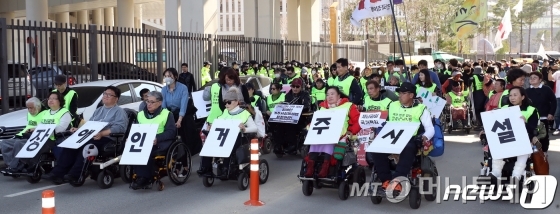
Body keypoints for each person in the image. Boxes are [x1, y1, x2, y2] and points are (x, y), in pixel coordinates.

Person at [43, 86, 129, 183]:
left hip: (108, 138)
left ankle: (75, 175)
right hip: (92, 136)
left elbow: (120, 127)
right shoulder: (99, 110)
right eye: (105, 94)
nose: (106, 96)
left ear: (116, 98)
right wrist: (78, 129)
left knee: (86, 146)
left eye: (109, 95)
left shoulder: (119, 111)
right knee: (71, 144)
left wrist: (102, 133)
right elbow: (90, 125)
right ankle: (58, 174)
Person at [370, 82, 434, 193]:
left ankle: (397, 181)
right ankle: (386, 180)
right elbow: (384, 122)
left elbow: (430, 129)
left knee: (408, 149)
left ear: (411, 95)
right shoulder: (393, 105)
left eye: (403, 93)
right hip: (391, 137)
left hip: (410, 139)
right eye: (399, 93)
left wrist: (424, 137)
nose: (399, 95)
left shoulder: (421, 108)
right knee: (375, 149)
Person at [197, 87, 257, 176]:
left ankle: (226, 168)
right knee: (208, 145)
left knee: (229, 146)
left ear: (236, 102)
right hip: (222, 138)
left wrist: (245, 129)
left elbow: (254, 128)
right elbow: (218, 122)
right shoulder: (225, 112)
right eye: (225, 102)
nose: (226, 105)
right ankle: (205, 168)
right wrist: (212, 126)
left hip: (238, 139)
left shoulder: (244, 113)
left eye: (229, 102)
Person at [304, 87, 360, 178]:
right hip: (322, 133)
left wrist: (351, 131)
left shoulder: (349, 106)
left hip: (341, 134)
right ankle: (310, 167)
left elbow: (358, 121)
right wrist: (310, 126)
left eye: (332, 94)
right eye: (327, 94)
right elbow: (317, 121)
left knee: (329, 140)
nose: (329, 96)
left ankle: (325, 168)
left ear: (338, 95)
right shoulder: (322, 107)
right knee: (314, 141)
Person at [486, 87, 538, 184]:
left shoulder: (531, 110)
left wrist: (525, 123)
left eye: (515, 95)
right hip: (507, 138)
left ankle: (516, 175)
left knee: (524, 147)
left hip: (523, 139)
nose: (512, 98)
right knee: (496, 143)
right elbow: (496, 125)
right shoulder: (504, 109)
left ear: (522, 97)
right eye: (510, 95)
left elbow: (533, 128)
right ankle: (496, 172)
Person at [131, 91, 177, 189]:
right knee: (133, 149)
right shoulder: (140, 114)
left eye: (152, 102)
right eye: (147, 101)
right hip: (143, 140)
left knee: (147, 151)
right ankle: (141, 175)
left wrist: (157, 138)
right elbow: (135, 130)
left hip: (160, 141)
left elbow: (171, 132)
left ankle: (145, 178)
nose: (149, 104)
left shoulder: (167, 114)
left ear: (159, 103)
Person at [17, 92, 72, 173]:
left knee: (40, 144)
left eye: (54, 98)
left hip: (55, 138)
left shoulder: (65, 113)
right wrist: (35, 129)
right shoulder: (47, 112)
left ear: (60, 101)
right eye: (49, 98)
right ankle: (23, 163)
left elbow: (61, 128)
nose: (51, 100)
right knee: (27, 142)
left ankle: (31, 164)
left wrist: (47, 129)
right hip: (42, 137)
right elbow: (41, 125)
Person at [0, 97, 46, 174]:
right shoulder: (30, 114)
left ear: (38, 106)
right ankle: (10, 164)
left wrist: (35, 129)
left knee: (18, 143)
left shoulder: (46, 114)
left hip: (36, 138)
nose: (29, 110)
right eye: (28, 108)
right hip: (25, 136)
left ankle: (14, 167)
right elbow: (27, 127)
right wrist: (18, 135)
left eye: (31, 108)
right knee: (4, 143)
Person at [161, 68, 200, 155]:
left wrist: (179, 120)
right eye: (165, 76)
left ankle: (187, 154)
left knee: (186, 135)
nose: (167, 78)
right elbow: (163, 106)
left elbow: (183, 105)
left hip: (183, 115)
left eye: (169, 76)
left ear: (175, 77)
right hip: (170, 114)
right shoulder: (164, 90)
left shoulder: (183, 88)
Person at [273, 78, 311, 154]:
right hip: (289, 117)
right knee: (279, 123)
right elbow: (286, 106)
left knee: (290, 124)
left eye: (297, 86)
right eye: (293, 86)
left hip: (301, 118)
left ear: (301, 87)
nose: (295, 88)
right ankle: (278, 144)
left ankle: (292, 144)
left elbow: (307, 106)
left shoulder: (305, 94)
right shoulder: (288, 95)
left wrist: (296, 108)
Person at [526, 72, 556, 156]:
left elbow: (553, 101)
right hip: (530, 118)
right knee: (531, 135)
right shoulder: (526, 91)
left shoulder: (546, 89)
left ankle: (544, 152)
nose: (532, 79)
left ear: (540, 80)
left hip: (543, 117)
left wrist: (551, 113)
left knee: (543, 135)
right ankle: (532, 153)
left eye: (535, 77)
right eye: (530, 77)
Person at [546, 65, 560, 135]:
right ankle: (557, 128)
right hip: (558, 96)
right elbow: (550, 78)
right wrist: (550, 70)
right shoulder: (558, 73)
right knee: (557, 114)